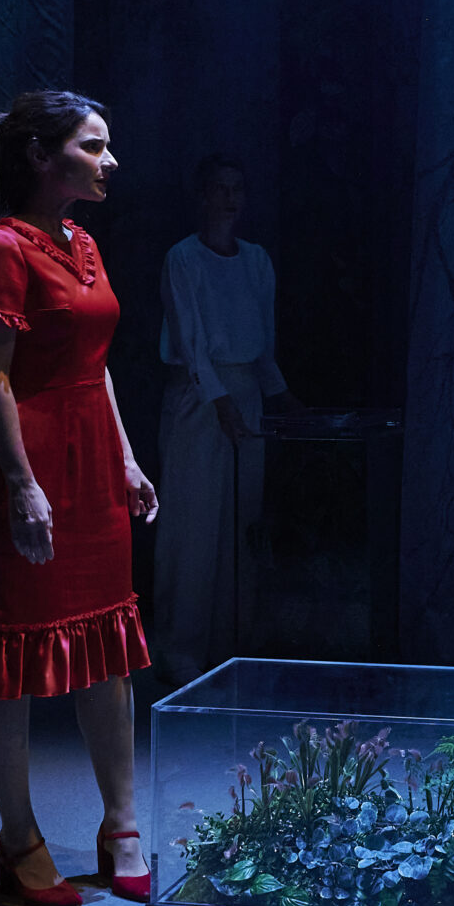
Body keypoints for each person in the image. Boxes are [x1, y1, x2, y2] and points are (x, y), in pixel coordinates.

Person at [0, 91, 161, 906]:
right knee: (12, 663)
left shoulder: (85, 243)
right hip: (29, 468)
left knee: (107, 653)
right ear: (44, 155)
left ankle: (123, 823)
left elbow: (97, 362)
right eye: (95, 146)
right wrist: (20, 482)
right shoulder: (2, 248)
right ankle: (19, 836)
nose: (110, 162)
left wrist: (129, 459)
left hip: (93, 468)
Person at [153, 154, 304, 686]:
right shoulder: (184, 259)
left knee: (241, 521)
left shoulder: (257, 260)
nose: (229, 198)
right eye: (219, 188)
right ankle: (180, 647)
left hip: (245, 397)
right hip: (201, 400)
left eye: (237, 188)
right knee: (194, 525)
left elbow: (262, 343)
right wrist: (220, 404)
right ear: (202, 195)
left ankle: (230, 642)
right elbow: (191, 344)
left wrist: (280, 398)